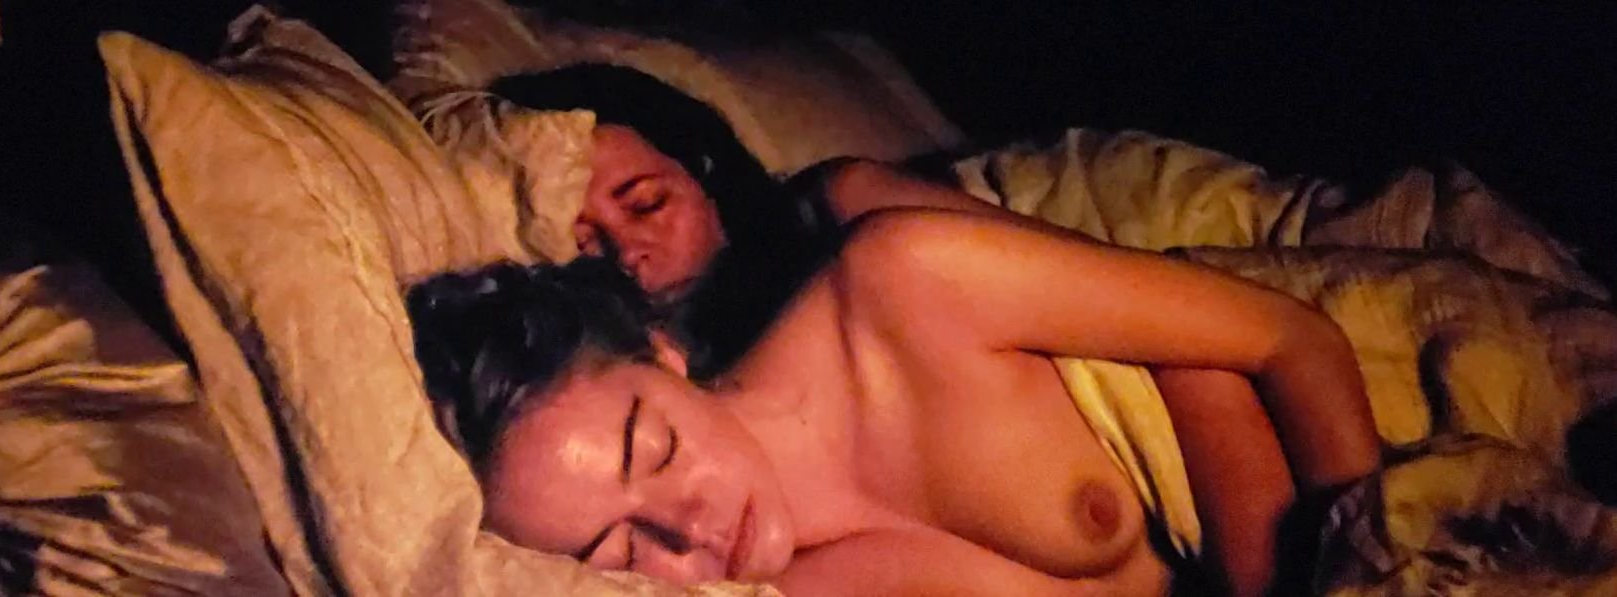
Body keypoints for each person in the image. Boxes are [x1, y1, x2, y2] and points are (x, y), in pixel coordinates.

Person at [409, 189, 1382, 594]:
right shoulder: (801, 589)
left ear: (663, 356)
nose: (686, 530)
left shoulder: (904, 284)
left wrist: (1373, 561)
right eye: (616, 551)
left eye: (654, 448)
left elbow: (1286, 337)